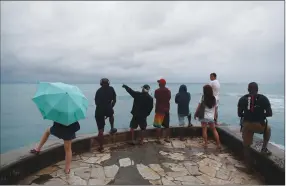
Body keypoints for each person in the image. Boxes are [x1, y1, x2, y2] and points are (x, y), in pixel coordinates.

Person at [237, 82, 272, 158]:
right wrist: (260, 115)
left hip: (246, 125)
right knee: (268, 129)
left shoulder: (242, 99)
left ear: (248, 89)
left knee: (247, 146)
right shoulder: (264, 99)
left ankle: (247, 163)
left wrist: (248, 115)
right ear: (257, 89)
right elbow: (269, 113)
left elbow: (239, 114)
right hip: (259, 125)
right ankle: (263, 149)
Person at [194, 85, 221, 149]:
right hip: (211, 117)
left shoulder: (203, 97)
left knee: (204, 130)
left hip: (204, 116)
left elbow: (199, 106)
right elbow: (215, 108)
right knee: (214, 130)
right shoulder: (214, 98)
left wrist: (195, 114)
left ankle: (206, 144)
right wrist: (215, 117)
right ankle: (218, 144)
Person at [94, 78, 117, 152]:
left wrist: (103, 111)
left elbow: (96, 103)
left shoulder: (98, 91)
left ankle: (101, 147)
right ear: (108, 83)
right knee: (111, 115)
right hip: (108, 107)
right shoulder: (111, 89)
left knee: (101, 130)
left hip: (100, 110)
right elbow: (114, 99)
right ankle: (112, 128)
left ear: (101, 83)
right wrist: (111, 107)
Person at [153, 78, 171, 144]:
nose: (158, 84)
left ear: (160, 84)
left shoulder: (157, 91)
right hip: (166, 109)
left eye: (159, 83)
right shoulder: (168, 91)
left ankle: (158, 139)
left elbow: (156, 97)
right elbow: (169, 98)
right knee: (167, 125)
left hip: (159, 110)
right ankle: (167, 138)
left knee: (158, 125)